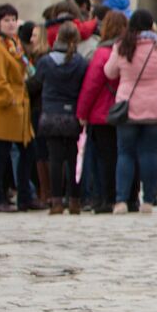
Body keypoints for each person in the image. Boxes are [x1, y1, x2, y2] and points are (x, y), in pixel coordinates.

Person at [105, 9, 157, 213]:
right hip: (154, 106)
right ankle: (148, 200)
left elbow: (109, 71)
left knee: (125, 154)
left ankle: (121, 199)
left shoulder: (122, 46)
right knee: (149, 153)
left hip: (127, 107)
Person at [0, 5, 40, 212]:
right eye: (6, 20)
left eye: (13, 19)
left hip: (20, 106)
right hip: (6, 108)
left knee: (27, 151)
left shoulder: (14, 43)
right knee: (0, 154)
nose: (11, 23)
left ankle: (25, 195)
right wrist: (11, 100)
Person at [35, 21, 89, 214]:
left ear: (57, 37)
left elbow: (36, 82)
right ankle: (74, 200)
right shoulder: (81, 62)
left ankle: (56, 201)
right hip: (72, 115)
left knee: (55, 159)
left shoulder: (46, 61)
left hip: (50, 114)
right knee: (74, 159)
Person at [77, 10, 127, 213]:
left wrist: (82, 112)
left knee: (104, 160)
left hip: (102, 113)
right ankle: (127, 197)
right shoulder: (128, 49)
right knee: (123, 155)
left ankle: (106, 199)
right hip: (125, 111)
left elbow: (91, 86)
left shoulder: (103, 52)